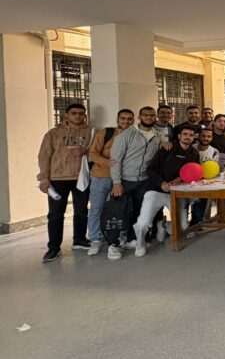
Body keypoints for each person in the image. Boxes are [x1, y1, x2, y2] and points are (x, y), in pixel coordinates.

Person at [37, 103, 94, 263]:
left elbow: (98, 149)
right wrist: (44, 178)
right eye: (74, 113)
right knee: (55, 214)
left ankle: (79, 240)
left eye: (81, 113)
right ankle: (54, 248)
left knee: (81, 211)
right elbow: (44, 156)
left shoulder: (90, 132)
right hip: (58, 179)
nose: (78, 116)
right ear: (66, 115)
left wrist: (86, 150)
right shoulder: (53, 133)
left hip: (81, 178)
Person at [132, 125, 200, 257]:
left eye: (191, 135)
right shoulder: (167, 148)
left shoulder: (194, 153)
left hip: (177, 193)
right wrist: (161, 183)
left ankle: (164, 225)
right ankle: (140, 244)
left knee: (183, 226)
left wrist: (181, 178)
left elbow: (194, 172)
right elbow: (150, 169)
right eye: (185, 134)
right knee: (143, 222)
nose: (188, 137)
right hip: (156, 191)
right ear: (179, 136)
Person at [109, 106, 163, 260]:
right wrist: (116, 182)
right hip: (125, 180)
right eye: (145, 115)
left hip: (145, 181)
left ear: (155, 117)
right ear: (139, 117)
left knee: (140, 212)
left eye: (152, 115)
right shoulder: (126, 135)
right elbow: (115, 160)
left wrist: (166, 144)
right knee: (119, 213)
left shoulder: (158, 136)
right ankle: (114, 245)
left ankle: (134, 240)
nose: (149, 117)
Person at [86, 108, 134, 256]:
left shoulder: (134, 136)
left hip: (122, 178)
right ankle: (95, 239)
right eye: (123, 118)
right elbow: (93, 153)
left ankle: (120, 236)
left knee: (121, 209)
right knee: (97, 209)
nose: (126, 121)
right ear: (117, 119)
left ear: (133, 121)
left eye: (129, 119)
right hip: (101, 177)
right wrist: (107, 162)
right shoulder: (106, 133)